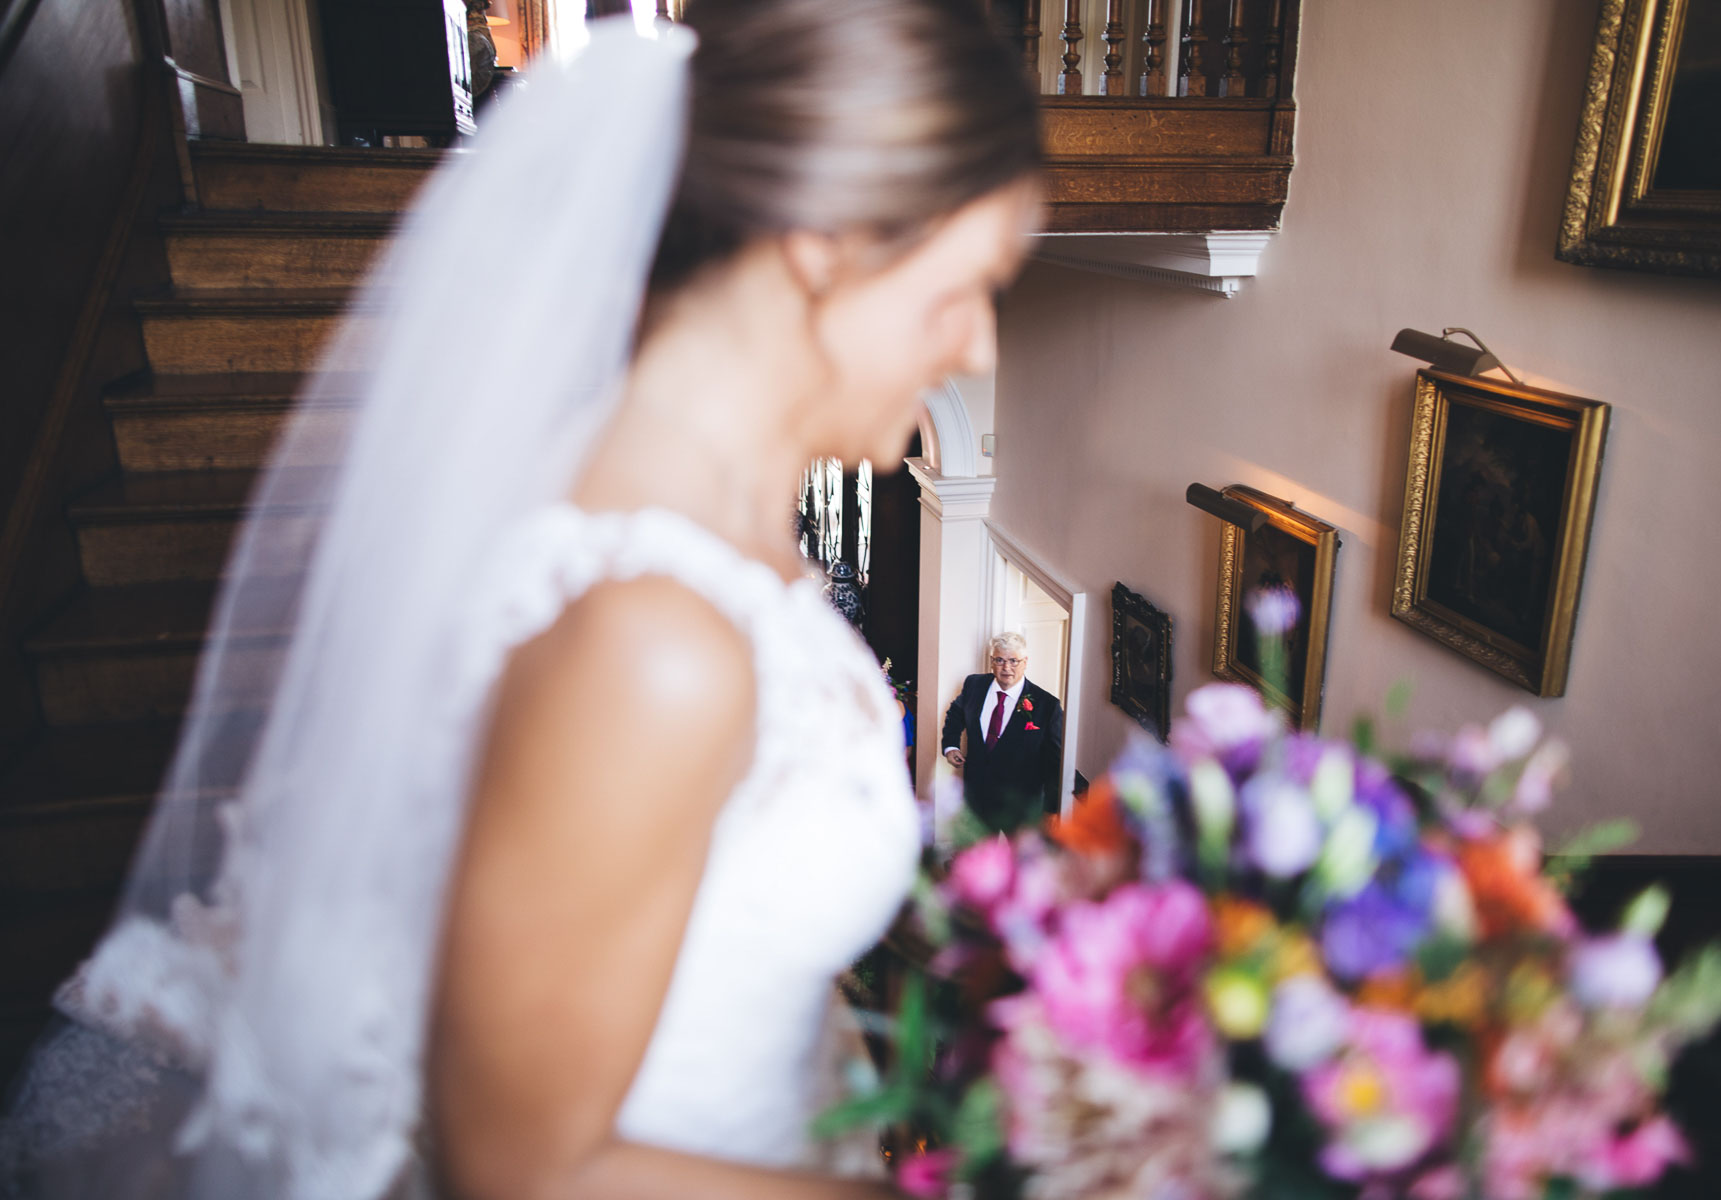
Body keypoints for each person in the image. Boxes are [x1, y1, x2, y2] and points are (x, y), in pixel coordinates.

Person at [0, 3, 1039, 1198]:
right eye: (966, 285)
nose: (975, 346)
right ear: (826, 242)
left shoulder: (712, 530)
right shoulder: (651, 634)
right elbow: (529, 1172)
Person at [941, 632, 1065, 832]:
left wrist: (1051, 809)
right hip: (976, 798)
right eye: (1000, 660)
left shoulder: (1047, 705)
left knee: (1019, 862)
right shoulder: (974, 684)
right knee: (976, 857)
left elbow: (1055, 763)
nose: (1006, 667)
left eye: (1013, 661)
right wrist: (951, 745)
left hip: (1019, 806)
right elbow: (956, 713)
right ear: (992, 661)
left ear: (1025, 662)